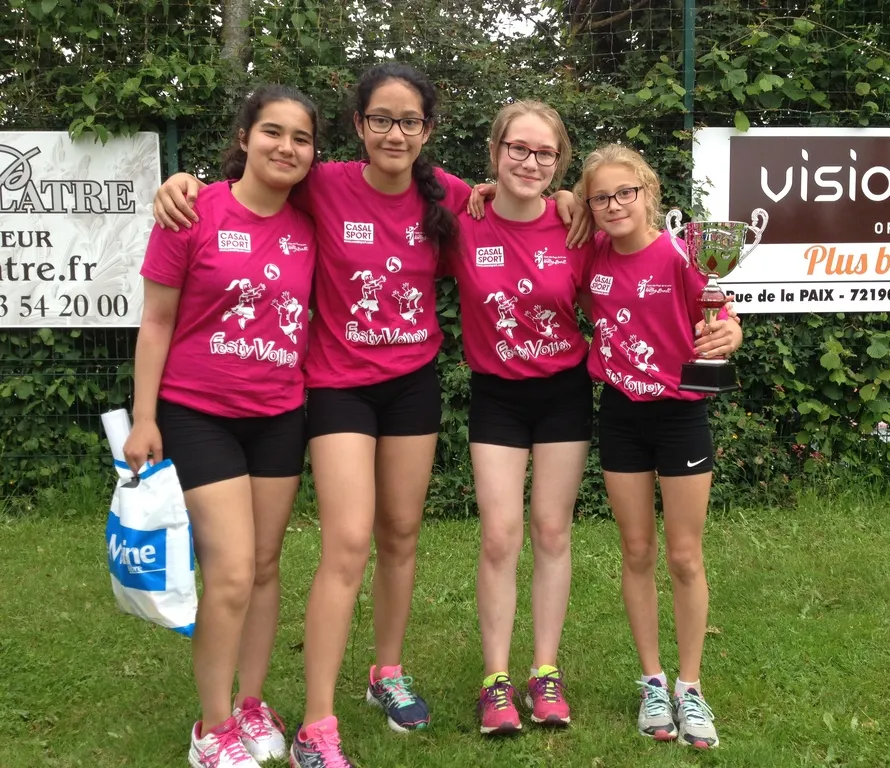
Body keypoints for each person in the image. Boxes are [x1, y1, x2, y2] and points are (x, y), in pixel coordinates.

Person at [154, 64, 585, 767]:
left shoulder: (451, 196)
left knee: (401, 535)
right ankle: (316, 724)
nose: (394, 133)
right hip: (338, 389)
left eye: (409, 121)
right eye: (380, 119)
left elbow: (515, 203)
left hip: (412, 386)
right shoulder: (323, 184)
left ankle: (386, 671)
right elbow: (253, 186)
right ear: (357, 125)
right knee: (349, 543)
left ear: (428, 130)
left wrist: (566, 196)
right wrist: (186, 186)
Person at [123, 85, 319, 768]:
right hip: (198, 413)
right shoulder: (191, 210)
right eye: (272, 132)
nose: (286, 147)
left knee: (264, 568)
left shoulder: (310, 222)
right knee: (231, 574)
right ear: (243, 138)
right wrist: (145, 417)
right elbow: (156, 321)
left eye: (301, 138)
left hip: (280, 414)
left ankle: (251, 703)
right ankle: (211, 729)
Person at [574, 144, 742, 749]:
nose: (614, 204)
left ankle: (690, 687)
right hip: (621, 416)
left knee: (685, 556)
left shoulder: (681, 253)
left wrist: (730, 333)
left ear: (649, 193)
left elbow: (722, 315)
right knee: (637, 549)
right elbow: (547, 211)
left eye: (626, 192)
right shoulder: (591, 251)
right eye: (601, 197)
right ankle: (652, 682)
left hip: (680, 417)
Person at [450, 101, 593, 735]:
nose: (530, 163)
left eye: (545, 153)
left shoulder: (575, 225)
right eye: (519, 149)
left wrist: (715, 321)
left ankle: (545, 673)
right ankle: (496, 681)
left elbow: (636, 274)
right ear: (495, 151)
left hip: (563, 393)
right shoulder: (463, 220)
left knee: (552, 531)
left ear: (559, 163)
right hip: (498, 396)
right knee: (500, 535)